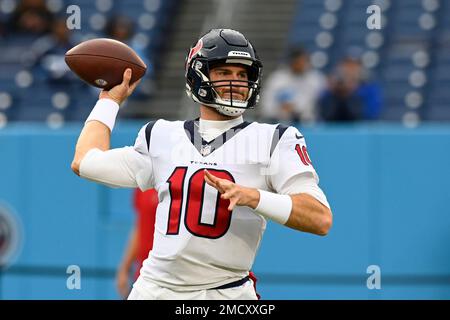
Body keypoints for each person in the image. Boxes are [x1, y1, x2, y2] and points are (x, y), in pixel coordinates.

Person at [71, 29, 333, 300]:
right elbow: (86, 162)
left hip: (227, 293)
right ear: (199, 76)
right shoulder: (160, 135)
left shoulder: (274, 139)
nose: (237, 82)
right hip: (155, 290)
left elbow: (320, 218)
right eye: (224, 72)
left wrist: (256, 197)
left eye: (243, 74)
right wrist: (109, 101)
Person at [260, 46, 326, 125]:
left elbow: (318, 107)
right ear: (292, 62)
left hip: (309, 124)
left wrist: (296, 108)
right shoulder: (277, 79)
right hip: (279, 123)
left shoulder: (316, 79)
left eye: (304, 61)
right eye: (299, 62)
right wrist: (280, 109)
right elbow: (266, 106)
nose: (302, 64)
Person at [116, 188, 158, 299]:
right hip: (143, 276)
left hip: (165, 279)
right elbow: (140, 227)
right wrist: (125, 267)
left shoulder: (177, 183)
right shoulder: (143, 183)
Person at [320, 56, 382, 122]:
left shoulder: (369, 88)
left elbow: (370, 114)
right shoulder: (332, 89)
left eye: (353, 66)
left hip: (359, 128)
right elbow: (325, 114)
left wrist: (352, 92)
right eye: (347, 66)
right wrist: (336, 92)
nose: (350, 70)